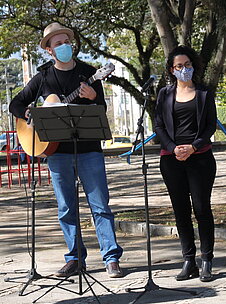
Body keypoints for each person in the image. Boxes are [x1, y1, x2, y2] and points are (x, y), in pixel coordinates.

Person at [9, 22, 123, 278]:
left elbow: (101, 110)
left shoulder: (89, 72)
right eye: (57, 44)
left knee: (100, 205)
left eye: (66, 42)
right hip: (56, 152)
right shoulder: (43, 77)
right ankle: (75, 258)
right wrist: (28, 113)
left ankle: (111, 258)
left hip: (88, 148)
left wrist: (94, 97)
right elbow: (16, 103)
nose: (64, 47)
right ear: (49, 50)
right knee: (66, 207)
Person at [154, 45, 217, 282]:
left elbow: (211, 125)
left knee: (201, 208)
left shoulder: (204, 93)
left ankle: (207, 259)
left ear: (193, 66)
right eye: (178, 66)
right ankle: (188, 259)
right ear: (171, 70)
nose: (183, 69)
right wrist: (173, 148)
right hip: (171, 159)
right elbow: (158, 125)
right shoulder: (164, 94)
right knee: (181, 211)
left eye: (187, 65)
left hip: (200, 157)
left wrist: (193, 146)